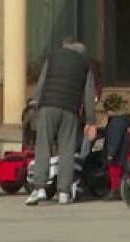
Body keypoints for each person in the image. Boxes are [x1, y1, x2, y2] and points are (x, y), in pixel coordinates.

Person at [26, 39, 98, 206]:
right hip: (70, 109)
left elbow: (42, 82)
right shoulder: (84, 64)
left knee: (43, 145)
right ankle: (64, 192)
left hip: (49, 105)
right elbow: (89, 93)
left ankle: (40, 188)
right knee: (67, 149)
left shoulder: (53, 57)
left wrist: (36, 104)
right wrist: (90, 121)